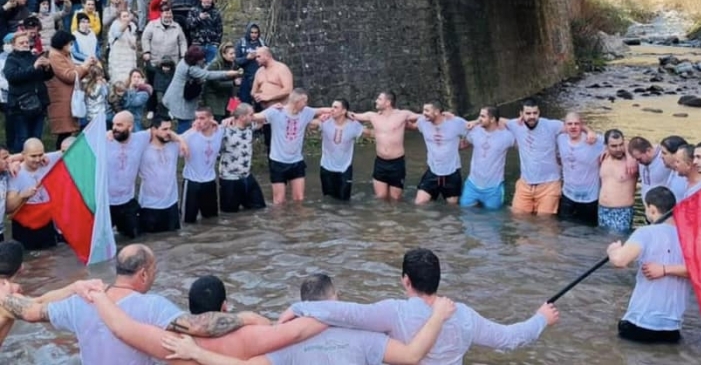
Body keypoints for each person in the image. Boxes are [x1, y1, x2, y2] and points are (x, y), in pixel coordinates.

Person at [0, 244, 266, 362]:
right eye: (154, 270)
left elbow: (31, 311)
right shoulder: (153, 306)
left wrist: (4, 296)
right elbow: (199, 326)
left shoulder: (83, 299)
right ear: (143, 274)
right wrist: (246, 318)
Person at [286, 247, 560, 360]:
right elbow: (510, 338)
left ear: (406, 280)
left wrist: (299, 308)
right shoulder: (464, 315)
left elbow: (346, 314)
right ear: (438, 279)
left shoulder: (393, 312)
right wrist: (541, 318)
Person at [163, 273, 456, 365]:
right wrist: (438, 315)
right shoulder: (366, 335)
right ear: (336, 298)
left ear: (303, 305)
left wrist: (196, 352)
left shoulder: (284, 338)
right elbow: (413, 355)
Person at [607, 186, 690, 343]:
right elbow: (699, 271)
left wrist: (613, 250)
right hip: (672, 328)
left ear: (652, 210)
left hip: (640, 322)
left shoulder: (645, 233)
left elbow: (620, 260)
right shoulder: (688, 237)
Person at [504, 98, 589, 216]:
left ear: (539, 113)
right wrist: (476, 122)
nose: (532, 116)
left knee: (545, 225)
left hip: (549, 185)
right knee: (519, 222)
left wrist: (589, 132)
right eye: (528, 113)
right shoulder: (516, 125)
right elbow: (497, 120)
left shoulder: (551, 125)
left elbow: (573, 126)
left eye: (535, 113)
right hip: (525, 184)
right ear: (521, 114)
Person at [253, 88, 330, 204]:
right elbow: (254, 117)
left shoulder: (306, 112)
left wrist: (345, 112)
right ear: (297, 101)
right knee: (279, 201)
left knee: (299, 199)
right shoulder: (275, 112)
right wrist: (232, 118)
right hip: (278, 162)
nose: (306, 104)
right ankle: (279, 221)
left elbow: (323, 110)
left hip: (296, 161)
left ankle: (297, 221)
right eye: (305, 101)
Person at [349, 91, 419, 201]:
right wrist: (338, 113)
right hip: (381, 162)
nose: (376, 101)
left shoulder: (402, 115)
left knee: (395, 199)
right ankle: (383, 218)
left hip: (397, 163)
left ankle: (395, 218)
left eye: (379, 99)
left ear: (388, 102)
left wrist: (445, 117)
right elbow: (352, 116)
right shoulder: (372, 116)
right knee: (380, 198)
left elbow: (426, 117)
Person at [162, 45, 239, 134]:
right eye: (201, 59)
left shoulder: (184, 61)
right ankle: (182, 142)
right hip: (182, 98)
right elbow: (208, 75)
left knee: (184, 121)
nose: (203, 60)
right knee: (184, 123)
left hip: (177, 95)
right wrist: (228, 74)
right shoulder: (192, 69)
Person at [107, 111, 154, 238]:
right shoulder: (104, 141)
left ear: (130, 127)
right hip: (106, 203)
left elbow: (160, 130)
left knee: (135, 239)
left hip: (128, 201)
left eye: (119, 125)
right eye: (113, 125)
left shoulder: (140, 138)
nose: (114, 128)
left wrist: (180, 140)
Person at [3, 32, 52, 152]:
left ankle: (36, 163)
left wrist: (47, 68)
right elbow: (12, 76)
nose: (25, 44)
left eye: (27, 42)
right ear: (14, 45)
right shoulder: (11, 59)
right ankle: (18, 165)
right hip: (20, 106)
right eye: (21, 43)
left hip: (38, 104)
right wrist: (33, 68)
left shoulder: (34, 57)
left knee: (37, 138)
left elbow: (46, 77)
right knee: (22, 139)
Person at [5, 139, 58, 250]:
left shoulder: (48, 161)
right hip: (24, 227)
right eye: (33, 156)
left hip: (47, 223)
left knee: (50, 258)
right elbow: (8, 208)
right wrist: (22, 195)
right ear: (23, 155)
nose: (38, 159)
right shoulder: (15, 172)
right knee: (27, 262)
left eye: (40, 155)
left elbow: (70, 147)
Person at [411, 101, 467, 205]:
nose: (424, 113)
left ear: (436, 111)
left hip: (452, 171)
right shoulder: (422, 122)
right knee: (419, 203)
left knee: (452, 208)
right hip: (433, 171)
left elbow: (475, 132)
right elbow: (408, 123)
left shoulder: (455, 122)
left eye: (427, 110)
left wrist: (462, 145)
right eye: (423, 110)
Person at [459, 106, 514, 210]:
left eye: (482, 116)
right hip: (472, 186)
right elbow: (462, 144)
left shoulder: (507, 136)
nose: (479, 118)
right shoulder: (474, 131)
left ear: (493, 119)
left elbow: (521, 128)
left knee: (493, 220)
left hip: (494, 189)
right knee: (465, 214)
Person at [46, 30, 95, 147]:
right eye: (69, 44)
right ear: (62, 44)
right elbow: (69, 76)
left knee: (68, 133)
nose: (71, 46)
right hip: (61, 99)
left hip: (69, 97)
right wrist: (84, 66)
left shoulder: (64, 55)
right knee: (64, 134)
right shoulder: (54, 56)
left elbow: (75, 73)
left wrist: (86, 68)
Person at [556, 112, 604, 226]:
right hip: (567, 195)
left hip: (590, 199)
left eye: (576, 124)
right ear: (565, 126)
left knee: (587, 235)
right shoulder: (560, 139)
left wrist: (630, 160)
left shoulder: (594, 140)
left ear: (582, 125)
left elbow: (620, 144)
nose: (573, 127)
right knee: (564, 231)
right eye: (570, 124)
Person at [218, 103, 267, 213]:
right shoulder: (224, 129)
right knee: (229, 214)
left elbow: (263, 120)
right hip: (230, 179)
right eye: (251, 115)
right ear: (242, 117)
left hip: (247, 176)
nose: (253, 117)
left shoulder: (250, 126)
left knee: (260, 208)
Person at [138, 116, 182, 233]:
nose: (168, 132)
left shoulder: (174, 145)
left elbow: (188, 148)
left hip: (171, 203)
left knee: (173, 239)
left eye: (170, 129)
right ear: (153, 130)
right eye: (164, 129)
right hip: (149, 205)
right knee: (151, 241)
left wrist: (177, 138)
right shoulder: (142, 149)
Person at [181, 107, 225, 224]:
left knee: (211, 220)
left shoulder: (219, 131)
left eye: (202, 118)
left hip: (210, 182)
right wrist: (192, 130)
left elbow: (236, 120)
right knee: (188, 221)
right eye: (196, 118)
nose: (198, 121)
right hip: (192, 182)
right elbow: (176, 142)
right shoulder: (189, 136)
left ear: (211, 119)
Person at [251, 46, 293, 157]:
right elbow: (253, 91)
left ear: (267, 55)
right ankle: (273, 167)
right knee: (269, 141)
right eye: (256, 57)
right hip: (266, 113)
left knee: (283, 142)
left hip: (281, 111)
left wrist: (268, 97)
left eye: (259, 56)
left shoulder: (281, 68)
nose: (256, 59)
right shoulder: (259, 72)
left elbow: (288, 89)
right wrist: (257, 95)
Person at [318, 98, 363, 201]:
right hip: (326, 168)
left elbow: (370, 133)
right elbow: (306, 121)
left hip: (345, 169)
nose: (332, 109)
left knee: (344, 201)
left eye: (335, 107)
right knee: (328, 200)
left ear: (344, 111)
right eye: (332, 107)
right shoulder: (324, 122)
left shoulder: (354, 125)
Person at [598, 129, 638, 233]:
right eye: (614, 146)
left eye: (621, 145)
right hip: (603, 210)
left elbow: (648, 146)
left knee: (618, 244)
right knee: (601, 243)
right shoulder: (604, 158)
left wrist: (629, 156)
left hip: (622, 211)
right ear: (606, 146)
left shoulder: (633, 161)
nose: (618, 149)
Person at [628, 136, 671, 203]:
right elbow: (623, 142)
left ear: (648, 150)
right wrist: (629, 158)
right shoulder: (640, 160)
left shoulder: (664, 157)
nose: (638, 162)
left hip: (664, 205)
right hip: (648, 207)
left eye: (639, 159)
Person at [235, 23, 266, 103]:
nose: (254, 35)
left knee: (259, 102)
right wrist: (247, 58)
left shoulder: (262, 43)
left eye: (256, 33)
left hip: (259, 77)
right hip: (244, 77)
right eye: (252, 32)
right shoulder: (241, 43)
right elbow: (235, 61)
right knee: (243, 101)